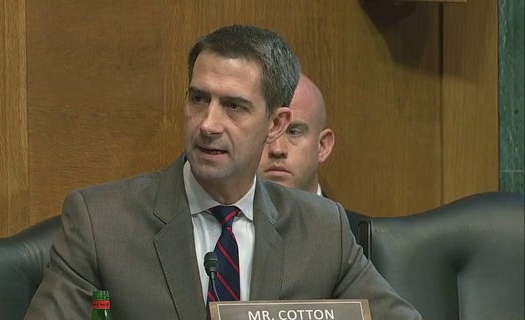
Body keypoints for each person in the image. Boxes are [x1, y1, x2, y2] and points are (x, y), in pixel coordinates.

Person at [25, 24, 421, 320]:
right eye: (198, 99)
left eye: (234, 106)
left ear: (276, 124)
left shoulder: (321, 229)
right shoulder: (101, 223)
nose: (208, 123)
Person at [258, 74, 366, 236]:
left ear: (322, 146)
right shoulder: (225, 236)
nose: (277, 149)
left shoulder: (364, 239)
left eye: (294, 132)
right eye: (269, 131)